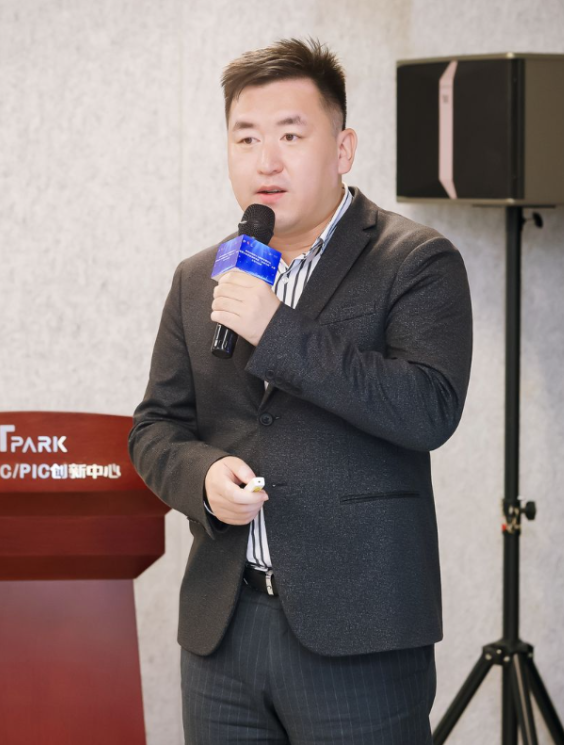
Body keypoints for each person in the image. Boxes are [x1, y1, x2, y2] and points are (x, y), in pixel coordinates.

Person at [128, 37, 473, 745]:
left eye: (291, 135)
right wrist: (203, 479)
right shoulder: (199, 277)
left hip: (360, 635)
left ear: (343, 148)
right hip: (224, 631)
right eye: (246, 138)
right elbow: (155, 428)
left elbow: (428, 407)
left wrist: (275, 328)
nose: (267, 160)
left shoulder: (415, 260)